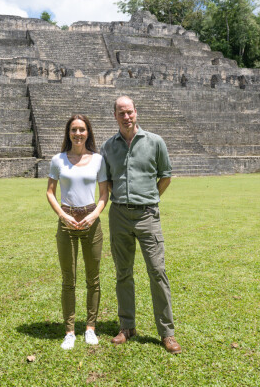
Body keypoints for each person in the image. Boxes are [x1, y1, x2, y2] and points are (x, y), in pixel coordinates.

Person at [100, 96, 182, 354]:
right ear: (115, 116)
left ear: (137, 112)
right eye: (121, 113)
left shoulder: (155, 142)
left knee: (157, 272)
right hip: (119, 215)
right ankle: (127, 326)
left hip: (148, 215)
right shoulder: (108, 147)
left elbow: (165, 175)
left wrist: (150, 198)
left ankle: (167, 333)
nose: (127, 117)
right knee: (123, 272)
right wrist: (122, 198)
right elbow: (108, 181)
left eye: (130, 112)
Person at [46, 114, 109, 350]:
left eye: (82, 130)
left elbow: (104, 195)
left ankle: (90, 328)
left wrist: (93, 216)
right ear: (68, 133)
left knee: (93, 279)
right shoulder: (58, 160)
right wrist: (63, 216)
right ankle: (70, 331)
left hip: (92, 220)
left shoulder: (98, 160)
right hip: (67, 221)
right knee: (68, 279)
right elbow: (50, 193)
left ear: (88, 132)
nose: (78, 134)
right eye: (74, 130)